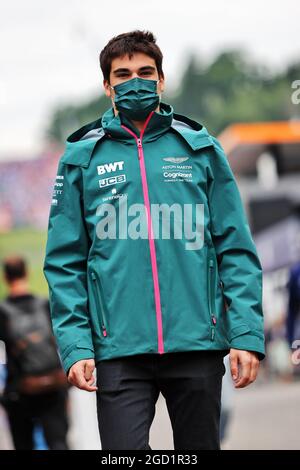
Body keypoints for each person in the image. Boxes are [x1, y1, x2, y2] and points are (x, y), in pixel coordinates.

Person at [43, 30, 265, 450]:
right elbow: (64, 262)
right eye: (122, 74)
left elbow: (234, 247)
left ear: (162, 80)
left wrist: (246, 334)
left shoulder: (201, 149)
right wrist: (75, 346)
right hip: (117, 351)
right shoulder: (80, 158)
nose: (136, 81)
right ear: (107, 85)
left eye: (146, 72)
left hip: (197, 341)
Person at [0, 256, 70, 450]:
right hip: (53, 385)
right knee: (58, 443)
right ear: (27, 273)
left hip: (19, 389)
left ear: (5, 277)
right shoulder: (45, 305)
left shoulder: (3, 312)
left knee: (23, 445)